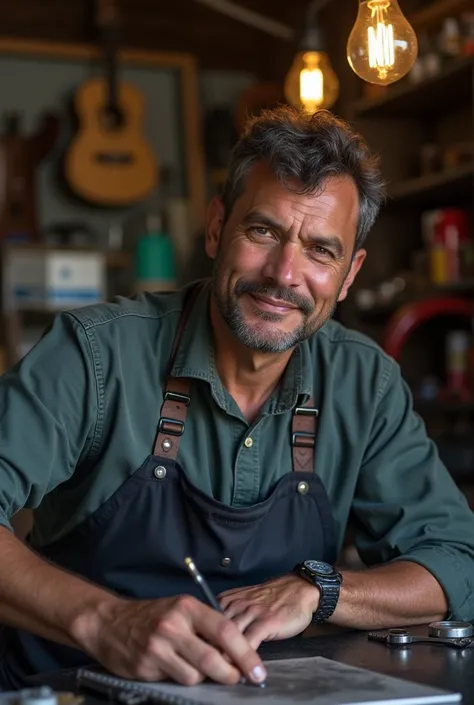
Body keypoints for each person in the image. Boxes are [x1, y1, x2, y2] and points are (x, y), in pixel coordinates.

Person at [1, 106, 474, 690]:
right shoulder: (94, 356)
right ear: (215, 227)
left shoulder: (363, 382)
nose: (284, 274)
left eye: (320, 251)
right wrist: (105, 622)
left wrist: (320, 591)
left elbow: (456, 561)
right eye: (263, 232)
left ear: (349, 276)